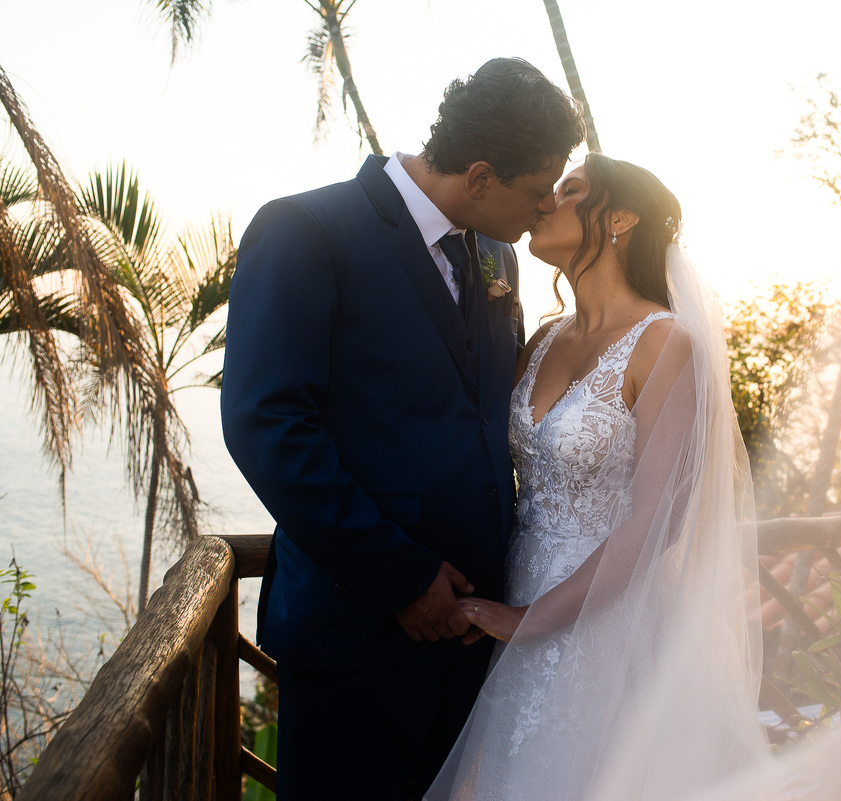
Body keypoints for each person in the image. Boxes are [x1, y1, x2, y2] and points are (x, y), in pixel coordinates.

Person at [220, 58, 585, 800]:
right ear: (480, 176)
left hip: (472, 639)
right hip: (356, 638)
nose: (546, 205)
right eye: (537, 188)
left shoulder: (496, 251)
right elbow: (267, 425)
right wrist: (404, 578)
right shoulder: (306, 230)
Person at [425, 154, 773, 801]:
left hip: (602, 623)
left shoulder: (666, 343)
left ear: (620, 218)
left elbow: (655, 521)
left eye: (571, 189)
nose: (547, 200)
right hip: (512, 600)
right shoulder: (542, 339)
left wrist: (529, 618)